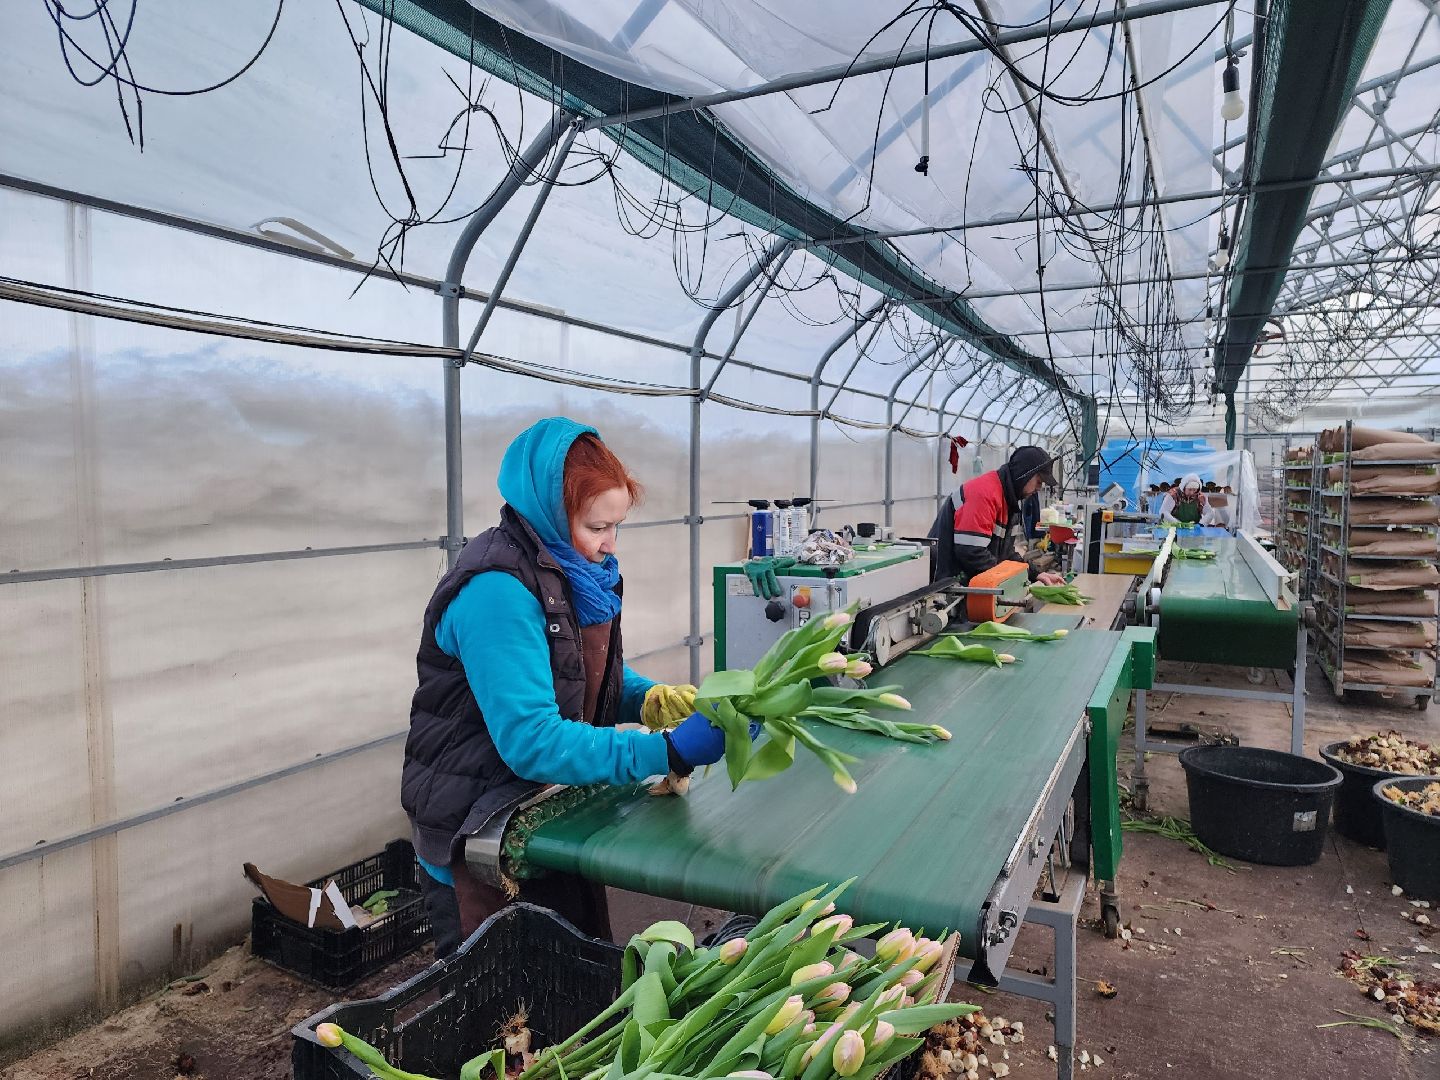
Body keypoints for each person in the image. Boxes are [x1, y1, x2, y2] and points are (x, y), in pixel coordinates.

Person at [401, 417, 738, 955]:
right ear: (550, 513)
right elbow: (532, 740)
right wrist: (665, 750)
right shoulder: (497, 594)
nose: (609, 544)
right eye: (597, 527)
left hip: (545, 808)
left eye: (616, 525)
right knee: (506, 1014)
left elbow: (571, 672)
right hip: (481, 824)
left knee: (574, 984)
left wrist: (649, 699)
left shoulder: (567, 569)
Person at [939, 445, 1066, 586]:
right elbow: (971, 552)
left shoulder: (1008, 501)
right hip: (949, 583)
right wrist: (1008, 580)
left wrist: (1035, 574)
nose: (1038, 488)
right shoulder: (985, 493)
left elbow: (1006, 555)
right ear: (1024, 474)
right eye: (1038, 481)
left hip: (968, 583)